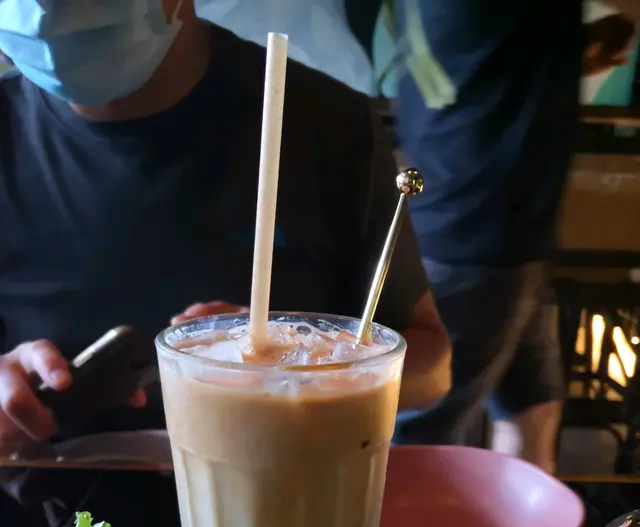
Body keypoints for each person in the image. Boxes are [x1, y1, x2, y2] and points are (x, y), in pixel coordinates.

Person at [0, 0, 451, 454]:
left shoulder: (323, 122)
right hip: (43, 487)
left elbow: (432, 368)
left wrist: (304, 373)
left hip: (284, 483)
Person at [392, 0, 637, 473]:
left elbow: (485, 61)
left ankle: (528, 524)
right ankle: (385, 524)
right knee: (420, 439)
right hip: (484, 232)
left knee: (533, 408)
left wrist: (569, 53)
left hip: (485, 227)